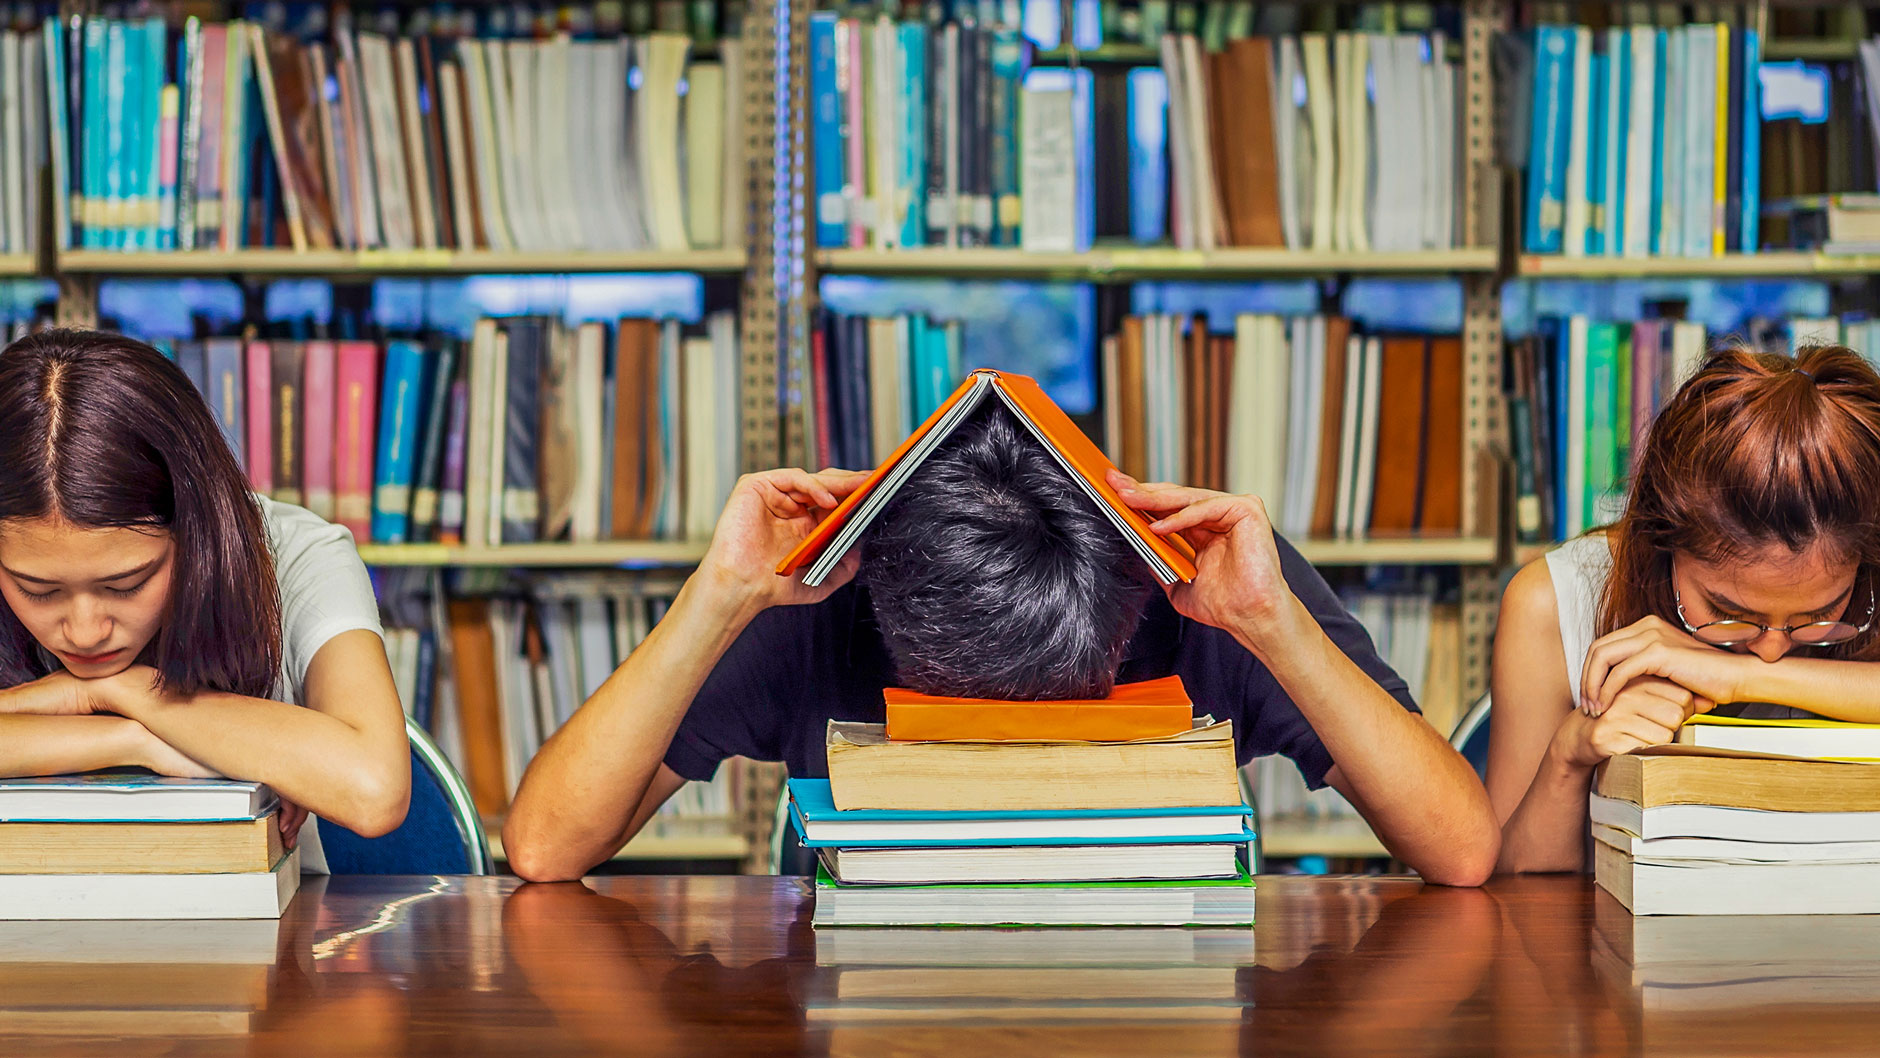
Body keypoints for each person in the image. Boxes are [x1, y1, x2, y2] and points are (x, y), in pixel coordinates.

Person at [504, 402, 1499, 885]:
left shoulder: (1218, 581)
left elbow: (1458, 849)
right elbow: (547, 846)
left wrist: (1275, 625)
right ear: (884, 606)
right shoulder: (815, 598)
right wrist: (715, 597)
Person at [0, 330, 410, 867]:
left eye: (126, 585)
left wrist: (130, 691)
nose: (83, 631)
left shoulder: (297, 554)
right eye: (37, 590)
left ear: (196, 528)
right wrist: (136, 743)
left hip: (264, 936)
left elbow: (374, 788)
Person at [1489, 344, 1880, 872]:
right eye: (1727, 610)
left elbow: (1757, 666)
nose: (1770, 649)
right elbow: (1514, 892)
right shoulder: (1553, 602)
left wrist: (1734, 674)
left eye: (1817, 616)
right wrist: (1569, 755)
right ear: (1663, 540)